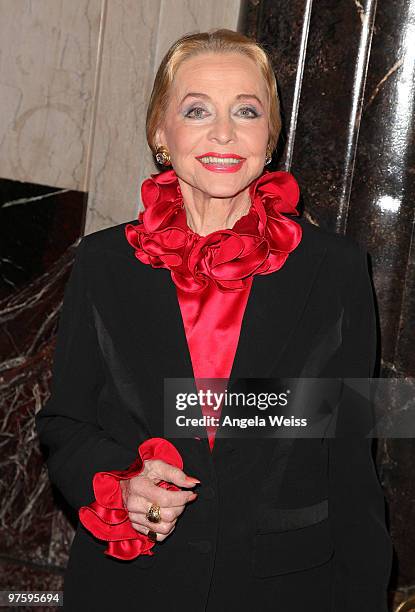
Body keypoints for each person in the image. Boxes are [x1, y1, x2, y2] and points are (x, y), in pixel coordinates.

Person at [35, 28, 393, 612]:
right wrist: (121, 483)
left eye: (246, 111)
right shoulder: (103, 262)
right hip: (132, 587)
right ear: (160, 131)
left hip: (286, 588)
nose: (224, 132)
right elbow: (65, 422)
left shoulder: (336, 268)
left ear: (269, 136)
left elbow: (351, 455)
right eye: (197, 110)